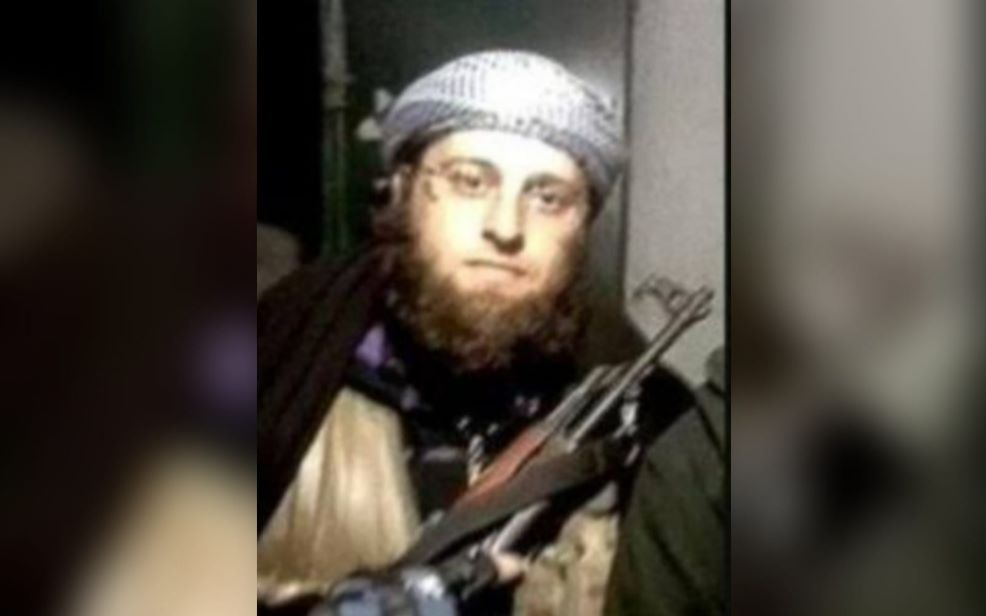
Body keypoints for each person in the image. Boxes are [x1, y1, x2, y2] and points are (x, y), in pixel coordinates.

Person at [258, 50, 723, 616]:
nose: (506, 227)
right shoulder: (273, 363)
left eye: (547, 197)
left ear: (583, 226)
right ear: (403, 189)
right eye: (470, 181)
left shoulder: (646, 418)